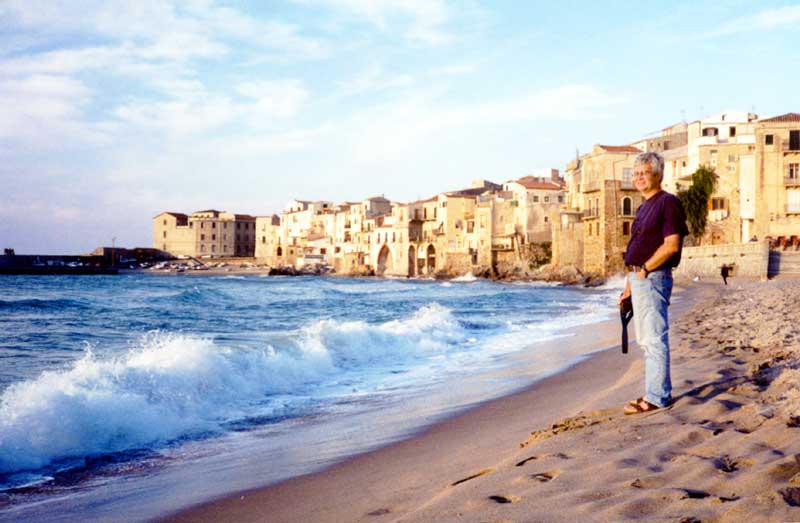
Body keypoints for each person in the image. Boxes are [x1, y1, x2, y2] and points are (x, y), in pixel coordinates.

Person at [618, 152, 689, 415]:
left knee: (654, 339)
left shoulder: (667, 203)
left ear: (658, 175)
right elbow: (639, 247)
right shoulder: (644, 206)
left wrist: (645, 270)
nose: (638, 178)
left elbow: (672, 245)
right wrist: (628, 287)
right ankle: (653, 391)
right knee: (646, 340)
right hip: (640, 278)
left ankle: (658, 397)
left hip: (653, 277)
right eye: (635, 173)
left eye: (644, 173)